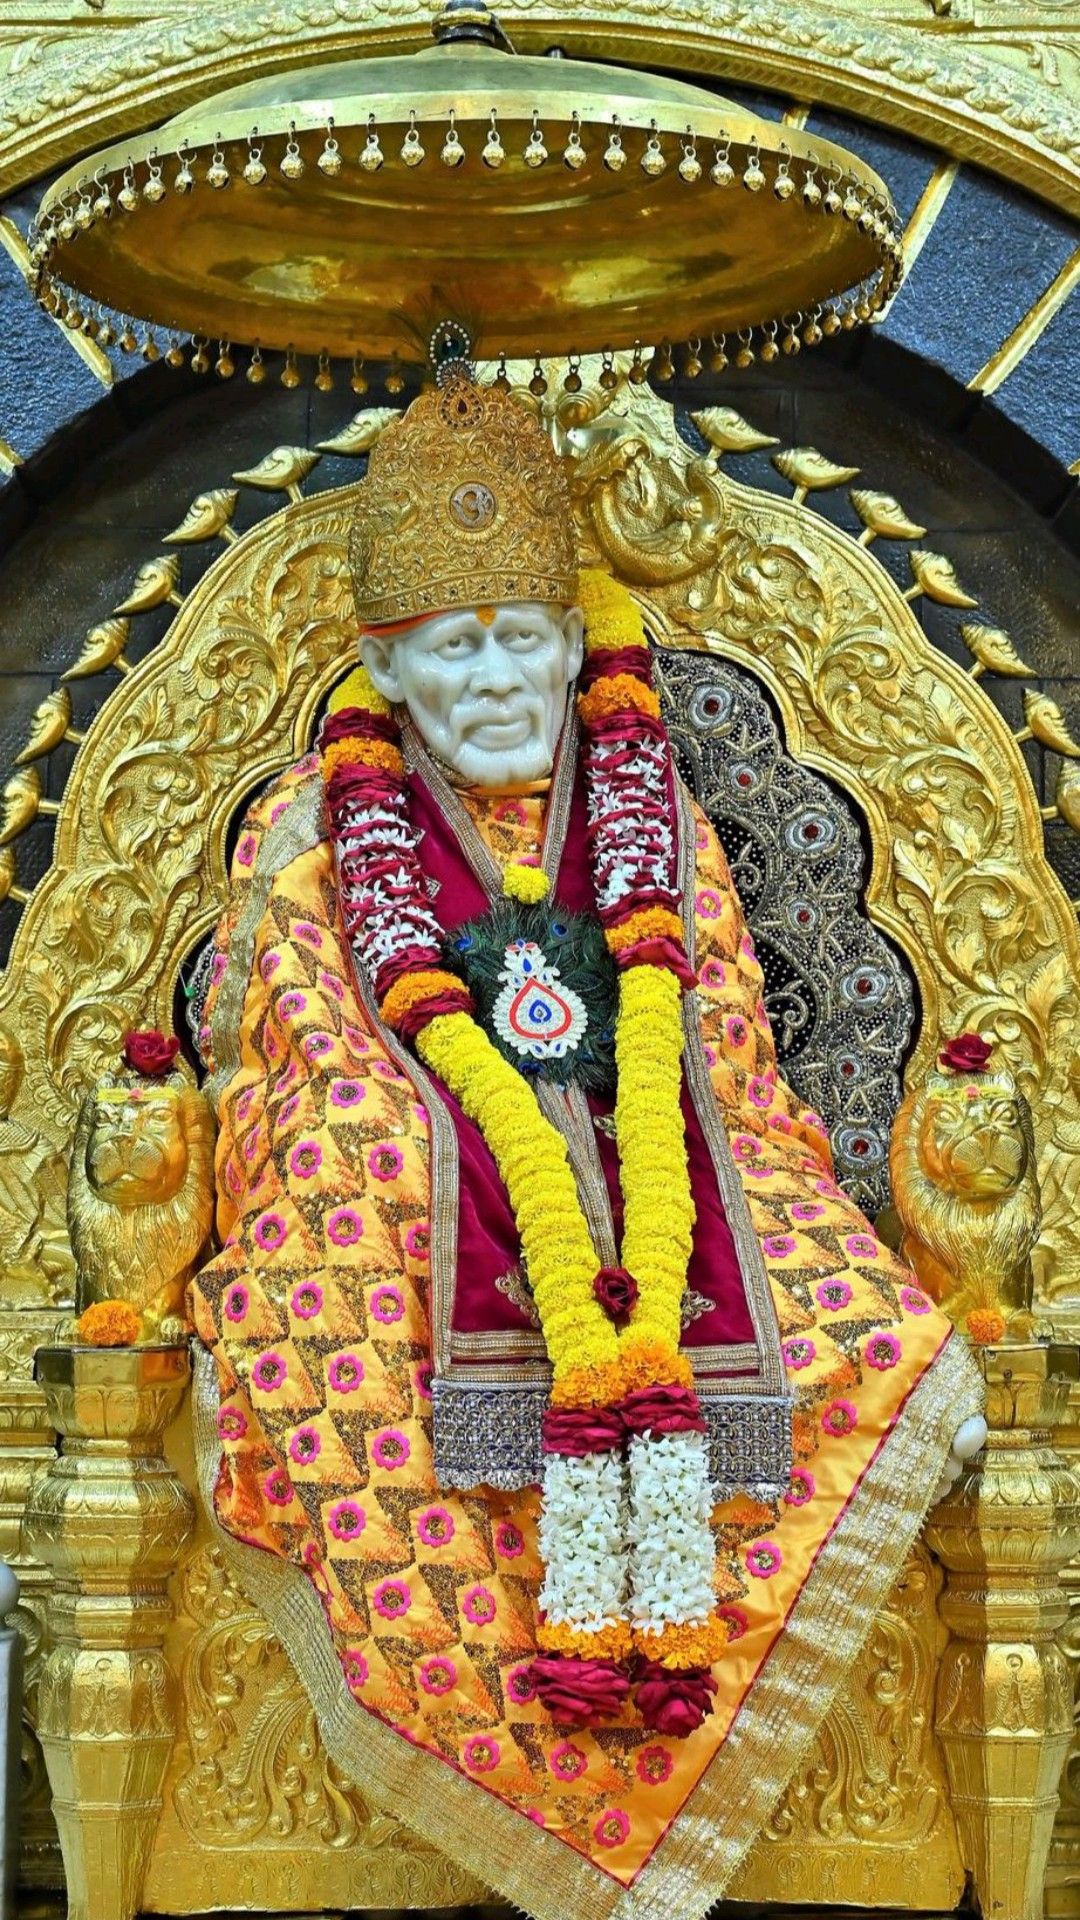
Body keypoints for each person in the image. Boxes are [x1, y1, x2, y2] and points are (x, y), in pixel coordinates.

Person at [189, 372, 983, 1920]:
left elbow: (723, 1017)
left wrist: (643, 1120)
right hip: (424, 1154)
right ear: (389, 670)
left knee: (827, 1278)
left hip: (661, 1147)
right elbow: (297, 1037)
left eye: (519, 643)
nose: (493, 682)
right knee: (359, 1183)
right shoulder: (314, 822)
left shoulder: (646, 807)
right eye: (454, 650)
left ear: (576, 648)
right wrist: (438, 1130)